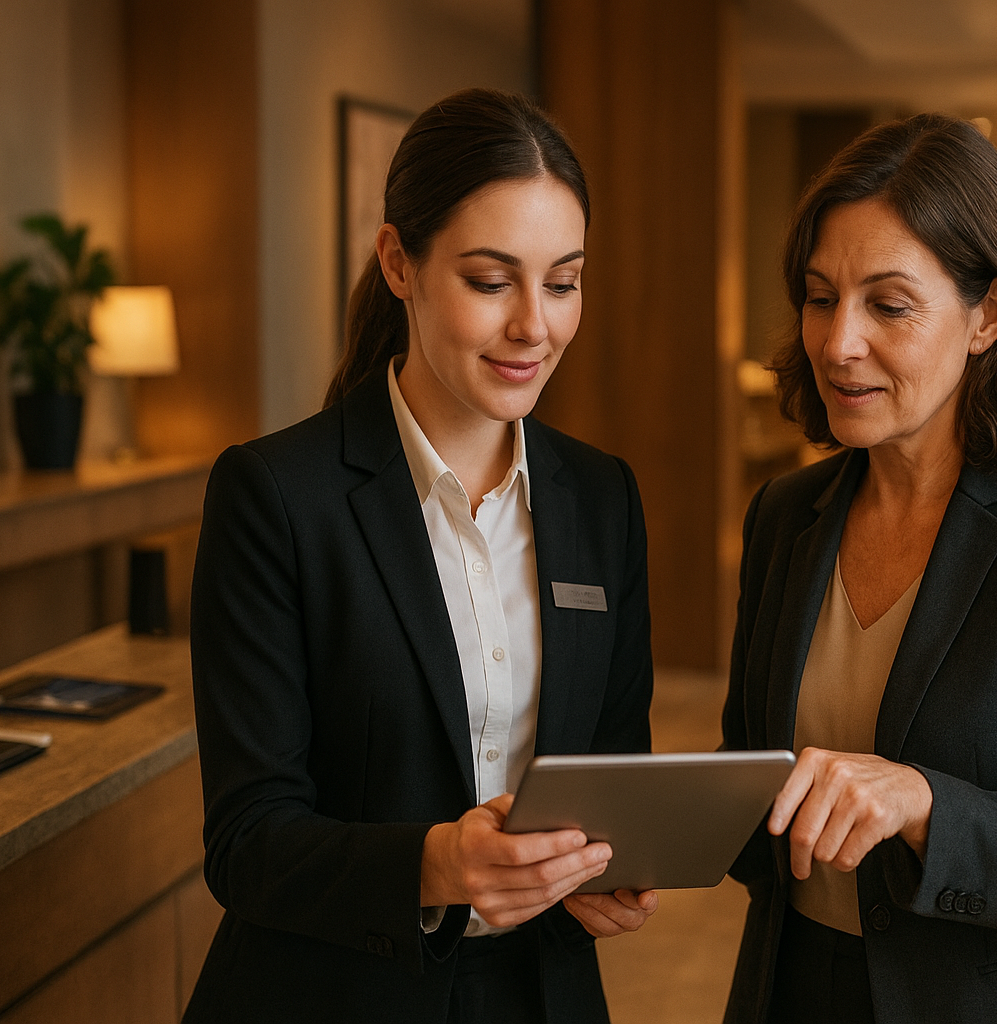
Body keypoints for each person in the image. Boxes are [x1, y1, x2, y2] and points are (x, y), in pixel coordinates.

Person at [183, 89, 656, 1024]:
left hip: (543, 994)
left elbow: (611, 758)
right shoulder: (277, 497)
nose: (535, 325)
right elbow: (247, 841)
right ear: (399, 262)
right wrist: (438, 864)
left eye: (562, 283)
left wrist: (603, 865)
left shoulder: (602, 498)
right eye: (490, 282)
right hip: (332, 994)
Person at [721, 113, 997, 1024]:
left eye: (888, 305)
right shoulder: (784, 516)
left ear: (988, 315)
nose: (839, 341)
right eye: (820, 298)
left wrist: (922, 801)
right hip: (799, 988)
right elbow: (751, 785)